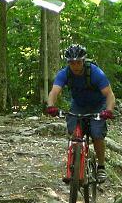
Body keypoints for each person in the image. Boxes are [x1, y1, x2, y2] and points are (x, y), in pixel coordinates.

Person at [45, 44, 115, 183]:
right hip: (78, 105)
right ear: (68, 63)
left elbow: (110, 94)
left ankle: (101, 167)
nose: (75, 65)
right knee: (73, 133)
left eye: (78, 62)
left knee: (96, 133)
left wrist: (108, 111)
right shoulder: (64, 73)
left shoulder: (95, 72)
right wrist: (51, 106)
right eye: (72, 62)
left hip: (97, 105)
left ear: (83, 61)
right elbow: (54, 91)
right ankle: (73, 168)